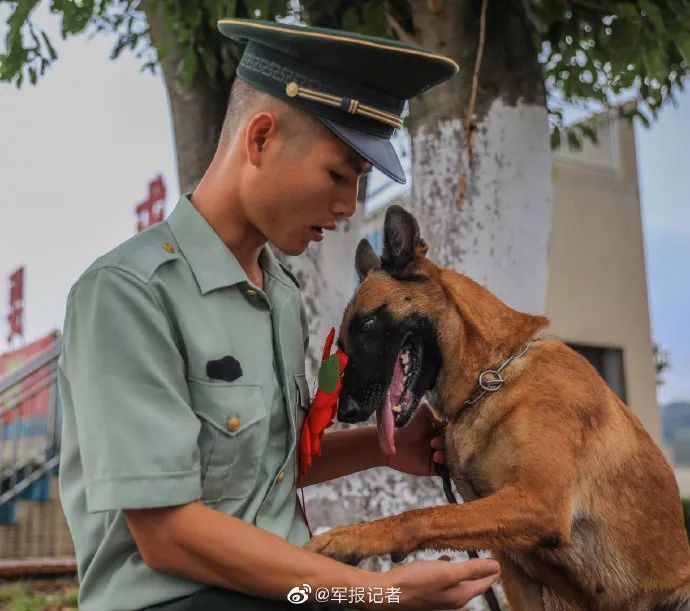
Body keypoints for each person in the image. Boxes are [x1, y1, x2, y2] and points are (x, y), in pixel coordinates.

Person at [57, 17, 501, 611]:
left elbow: (266, 465)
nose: (347, 207)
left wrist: (386, 446)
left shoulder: (280, 294)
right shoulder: (129, 294)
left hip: (288, 592)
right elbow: (168, 536)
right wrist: (380, 594)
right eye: (338, 175)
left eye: (360, 183)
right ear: (260, 138)